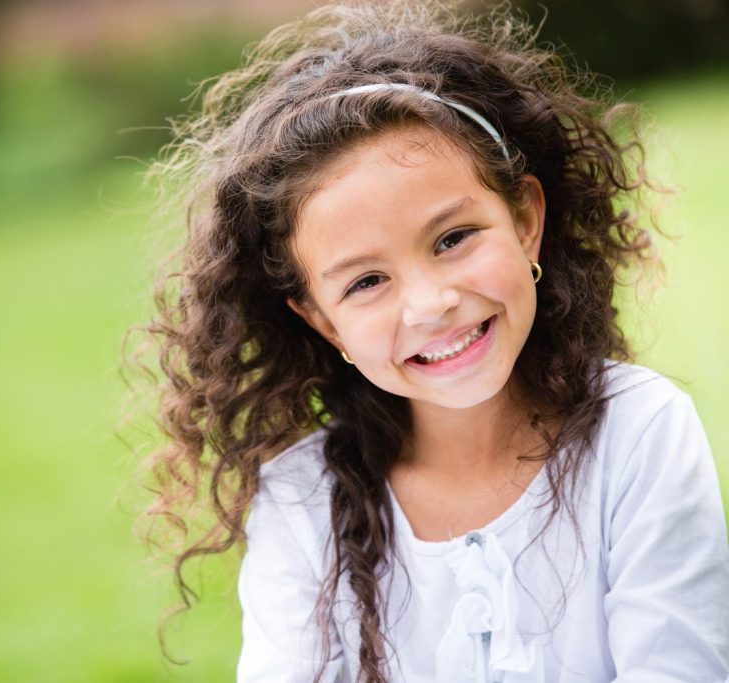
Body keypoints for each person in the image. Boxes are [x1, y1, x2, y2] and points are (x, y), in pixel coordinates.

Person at [137, 2, 729, 681]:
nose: (430, 304)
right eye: (366, 282)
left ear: (526, 220)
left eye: (453, 238)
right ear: (324, 321)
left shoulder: (637, 431)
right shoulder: (301, 500)